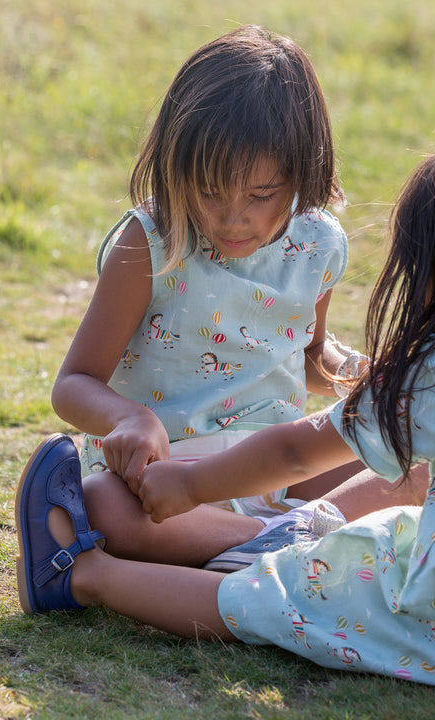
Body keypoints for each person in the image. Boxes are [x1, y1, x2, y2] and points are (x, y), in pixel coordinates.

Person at [17, 119, 435, 689]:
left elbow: (295, 446)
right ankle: (286, 533)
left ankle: (83, 576)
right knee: (401, 516)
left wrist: (186, 485)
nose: (236, 215)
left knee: (264, 599)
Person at [48, 25, 411, 569]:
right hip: (164, 481)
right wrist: (130, 421)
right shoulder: (150, 243)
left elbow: (308, 356)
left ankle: (258, 542)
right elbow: (73, 384)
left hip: (272, 469)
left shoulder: (318, 242)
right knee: (102, 504)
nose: (234, 217)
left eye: (262, 195)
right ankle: (289, 546)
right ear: (177, 166)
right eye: (211, 191)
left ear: (303, 172)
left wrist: (359, 374)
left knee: (418, 463)